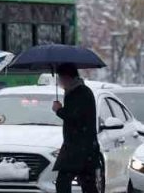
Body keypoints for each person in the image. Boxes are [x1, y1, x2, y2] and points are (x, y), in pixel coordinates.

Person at [51, 63, 100, 193]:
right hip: (83, 148)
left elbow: (75, 117)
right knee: (87, 184)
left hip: (78, 148)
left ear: (67, 77)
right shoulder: (76, 91)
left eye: (60, 78)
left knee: (63, 181)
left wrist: (59, 110)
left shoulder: (80, 93)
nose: (60, 82)